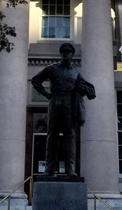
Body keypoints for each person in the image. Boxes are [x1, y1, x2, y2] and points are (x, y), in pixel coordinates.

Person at [31, 43, 95, 177]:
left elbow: (83, 86)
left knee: (70, 136)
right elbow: (36, 80)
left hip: (69, 103)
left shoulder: (76, 72)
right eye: (64, 52)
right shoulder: (52, 69)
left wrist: (84, 90)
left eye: (68, 52)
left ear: (72, 54)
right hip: (55, 101)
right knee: (52, 135)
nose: (66, 54)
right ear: (61, 54)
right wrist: (46, 94)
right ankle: (49, 169)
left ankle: (70, 168)